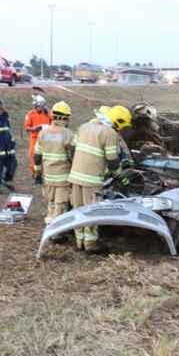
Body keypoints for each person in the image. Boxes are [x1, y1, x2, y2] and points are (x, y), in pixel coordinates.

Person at [68, 105, 132, 252]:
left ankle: (79, 242)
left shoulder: (84, 126)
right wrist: (120, 176)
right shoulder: (110, 133)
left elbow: (72, 149)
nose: (121, 130)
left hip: (75, 176)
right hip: (92, 180)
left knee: (78, 209)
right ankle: (91, 245)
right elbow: (112, 161)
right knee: (92, 211)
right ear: (118, 122)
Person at [34, 101, 75, 230]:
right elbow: (74, 156)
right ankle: (57, 232)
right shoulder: (68, 134)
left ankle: (49, 224)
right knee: (60, 204)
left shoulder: (43, 133)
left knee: (50, 202)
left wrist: (38, 172)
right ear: (66, 117)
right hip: (63, 177)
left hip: (48, 175)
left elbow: (37, 155)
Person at [24, 95, 52, 179]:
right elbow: (26, 128)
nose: (42, 108)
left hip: (46, 138)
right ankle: (35, 173)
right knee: (33, 156)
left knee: (46, 156)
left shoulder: (48, 113)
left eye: (43, 106)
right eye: (40, 106)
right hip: (35, 138)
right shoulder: (30, 114)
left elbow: (53, 123)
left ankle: (44, 172)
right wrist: (35, 128)